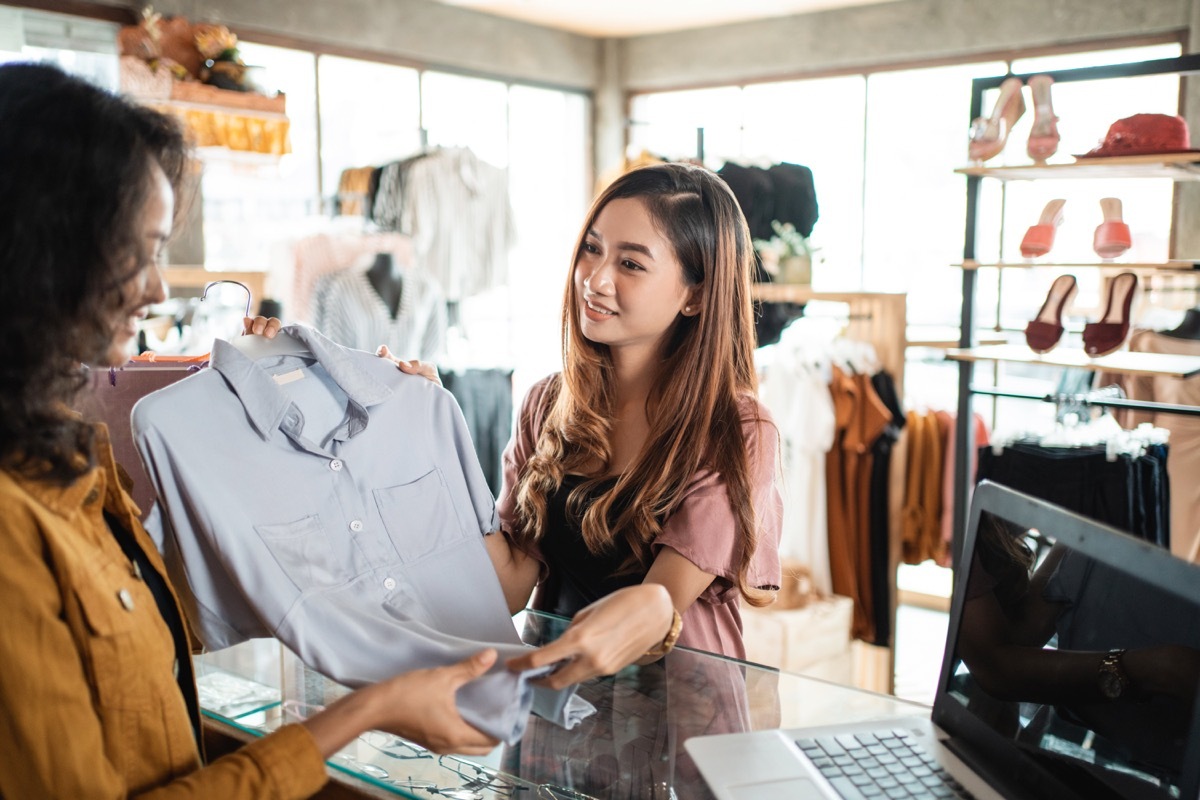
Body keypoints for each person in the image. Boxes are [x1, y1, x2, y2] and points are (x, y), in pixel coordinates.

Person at [0, 62, 498, 799]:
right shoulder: (17, 524)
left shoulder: (73, 475)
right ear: (43, 249)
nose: (158, 289)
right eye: (136, 251)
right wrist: (371, 710)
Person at [247, 162, 784, 688]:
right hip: (557, 716)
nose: (594, 279)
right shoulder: (549, 404)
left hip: (676, 718)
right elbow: (507, 588)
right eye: (592, 249)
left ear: (696, 293)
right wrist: (432, 431)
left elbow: (649, 620)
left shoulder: (736, 429)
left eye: (632, 264)